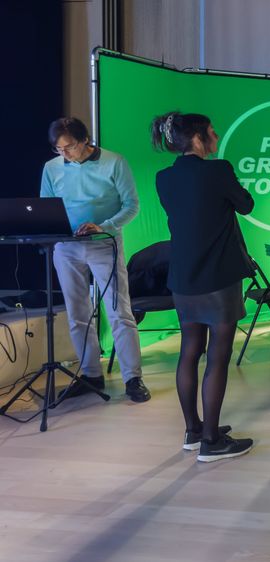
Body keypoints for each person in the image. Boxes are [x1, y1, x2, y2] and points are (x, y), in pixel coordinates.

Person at [152, 111, 254, 462]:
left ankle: (193, 431)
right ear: (198, 138)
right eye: (211, 131)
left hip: (183, 277)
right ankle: (212, 440)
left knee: (189, 351)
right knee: (218, 356)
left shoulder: (164, 177)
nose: (215, 135)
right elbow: (246, 204)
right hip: (218, 278)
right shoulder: (218, 170)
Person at [40, 117, 150, 403]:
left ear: (85, 140)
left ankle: (133, 378)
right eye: (59, 149)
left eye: (70, 147)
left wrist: (105, 226)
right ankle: (90, 374)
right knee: (77, 313)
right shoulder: (51, 168)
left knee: (119, 310)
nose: (65, 154)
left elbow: (132, 205)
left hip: (104, 244)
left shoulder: (114, 162)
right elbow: (45, 205)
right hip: (66, 247)